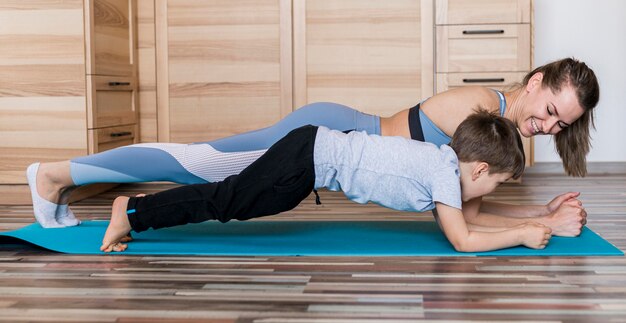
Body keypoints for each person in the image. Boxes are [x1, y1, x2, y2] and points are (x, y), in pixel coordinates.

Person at [28, 58, 596, 233]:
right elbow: (464, 218)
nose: (549, 128)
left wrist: (537, 212)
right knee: (200, 163)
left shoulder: (499, 119)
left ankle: (66, 181)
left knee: (203, 165)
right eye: (550, 111)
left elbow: (463, 205)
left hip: (333, 136)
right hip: (328, 139)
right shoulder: (480, 113)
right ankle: (55, 176)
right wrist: (532, 224)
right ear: (536, 82)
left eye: (560, 125)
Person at [100, 111, 553, 253]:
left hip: (311, 149)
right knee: (227, 201)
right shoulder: (441, 173)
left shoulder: (444, 164)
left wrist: (540, 215)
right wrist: (522, 236)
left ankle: (136, 210)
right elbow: (463, 239)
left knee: (231, 195)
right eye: (498, 183)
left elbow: (470, 219)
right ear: (478, 170)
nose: (493, 192)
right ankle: (133, 212)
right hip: (307, 162)